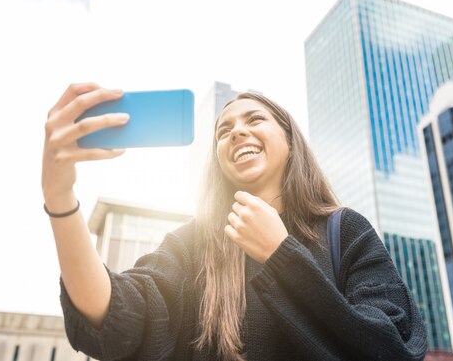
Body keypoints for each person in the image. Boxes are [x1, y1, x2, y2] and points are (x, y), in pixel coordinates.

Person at [42, 83, 428, 361]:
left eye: (254, 119)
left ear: (290, 140)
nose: (237, 132)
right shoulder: (192, 244)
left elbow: (391, 348)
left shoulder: (345, 231)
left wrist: (282, 256)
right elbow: (120, 315)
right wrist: (60, 197)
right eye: (223, 131)